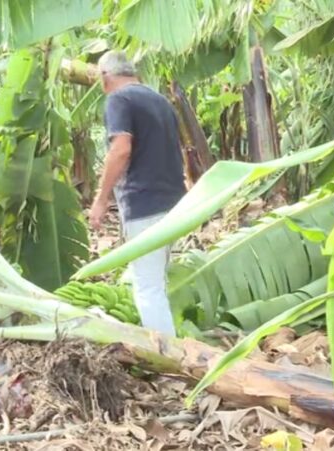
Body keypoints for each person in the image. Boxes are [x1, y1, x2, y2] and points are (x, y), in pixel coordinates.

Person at [89, 50, 186, 337]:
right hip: (172, 202)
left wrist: (101, 199)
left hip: (145, 204)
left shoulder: (118, 99)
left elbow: (121, 150)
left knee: (147, 287)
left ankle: (168, 359)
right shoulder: (160, 101)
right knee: (156, 281)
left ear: (106, 76)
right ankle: (168, 346)